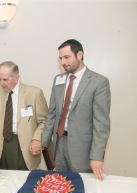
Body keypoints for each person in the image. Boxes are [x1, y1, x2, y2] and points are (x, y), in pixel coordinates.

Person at [41, 39, 111, 180]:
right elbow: (52, 114)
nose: (63, 62)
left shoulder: (99, 82)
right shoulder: (58, 80)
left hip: (82, 149)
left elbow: (101, 124)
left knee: (82, 188)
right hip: (59, 145)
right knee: (61, 186)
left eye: (67, 57)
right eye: (60, 58)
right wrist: (43, 142)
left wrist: (97, 156)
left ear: (79, 55)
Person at [0, 61, 48, 170]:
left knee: (22, 179)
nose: (1, 83)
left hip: (24, 146)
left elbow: (44, 121)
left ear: (16, 77)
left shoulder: (34, 93)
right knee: (3, 180)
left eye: (5, 79)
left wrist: (37, 139)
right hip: (2, 146)